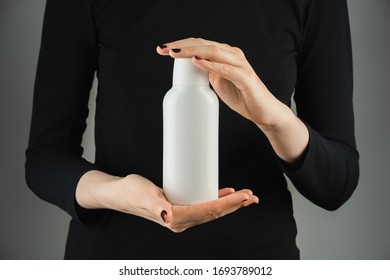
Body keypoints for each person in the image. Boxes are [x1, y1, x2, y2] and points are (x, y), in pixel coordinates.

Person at [25, 0, 359, 259]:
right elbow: (45, 158)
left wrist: (274, 118)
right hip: (115, 256)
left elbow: (336, 183)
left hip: (254, 261)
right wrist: (118, 193)